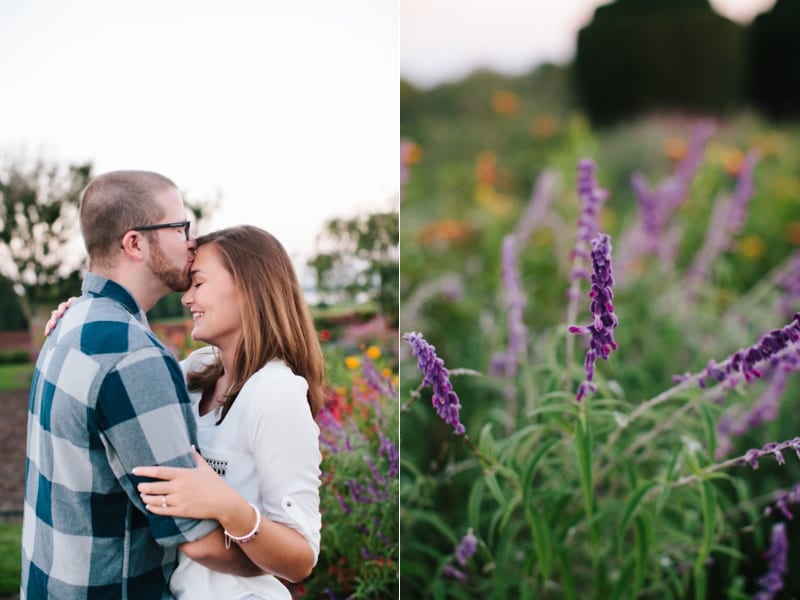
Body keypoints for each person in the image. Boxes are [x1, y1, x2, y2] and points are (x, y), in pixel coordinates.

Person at [22, 171, 261, 599]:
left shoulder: (71, 324)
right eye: (179, 227)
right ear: (135, 243)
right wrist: (279, 561)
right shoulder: (134, 357)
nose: (191, 240)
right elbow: (198, 540)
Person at [131, 225, 325, 599]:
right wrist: (90, 315)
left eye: (198, 283)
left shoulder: (275, 394)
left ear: (248, 287)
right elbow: (136, 369)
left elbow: (301, 558)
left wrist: (229, 506)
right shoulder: (198, 369)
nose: (187, 298)